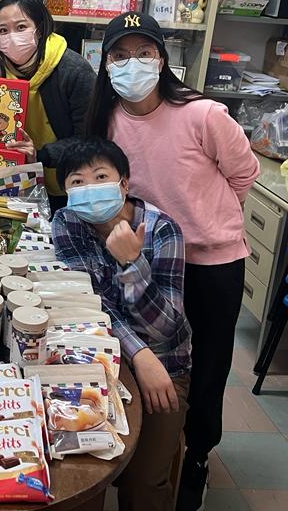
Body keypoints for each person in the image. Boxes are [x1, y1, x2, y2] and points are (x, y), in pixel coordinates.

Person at [86, 11, 259, 511]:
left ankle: (197, 455)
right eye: (120, 55)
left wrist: (206, 221)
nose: (132, 64)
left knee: (207, 366)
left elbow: (243, 174)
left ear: (162, 60)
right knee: (154, 358)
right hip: (148, 259)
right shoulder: (107, 119)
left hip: (211, 264)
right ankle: (147, 454)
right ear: (106, 64)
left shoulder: (204, 115)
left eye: (144, 53)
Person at [52, 136, 190, 511]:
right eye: (77, 182)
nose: (90, 188)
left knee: (145, 481)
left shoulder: (163, 230)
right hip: (101, 355)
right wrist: (138, 354)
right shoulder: (68, 221)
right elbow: (92, 303)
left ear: (124, 184)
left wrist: (132, 263)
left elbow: (166, 327)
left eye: (100, 177)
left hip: (164, 361)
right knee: (81, 470)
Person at [0, 0, 94, 209]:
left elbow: (88, 140)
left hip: (71, 187)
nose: (12, 36)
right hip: (19, 184)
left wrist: (40, 155)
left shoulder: (74, 70)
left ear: (40, 29)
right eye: (3, 31)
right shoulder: (0, 74)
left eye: (21, 27)